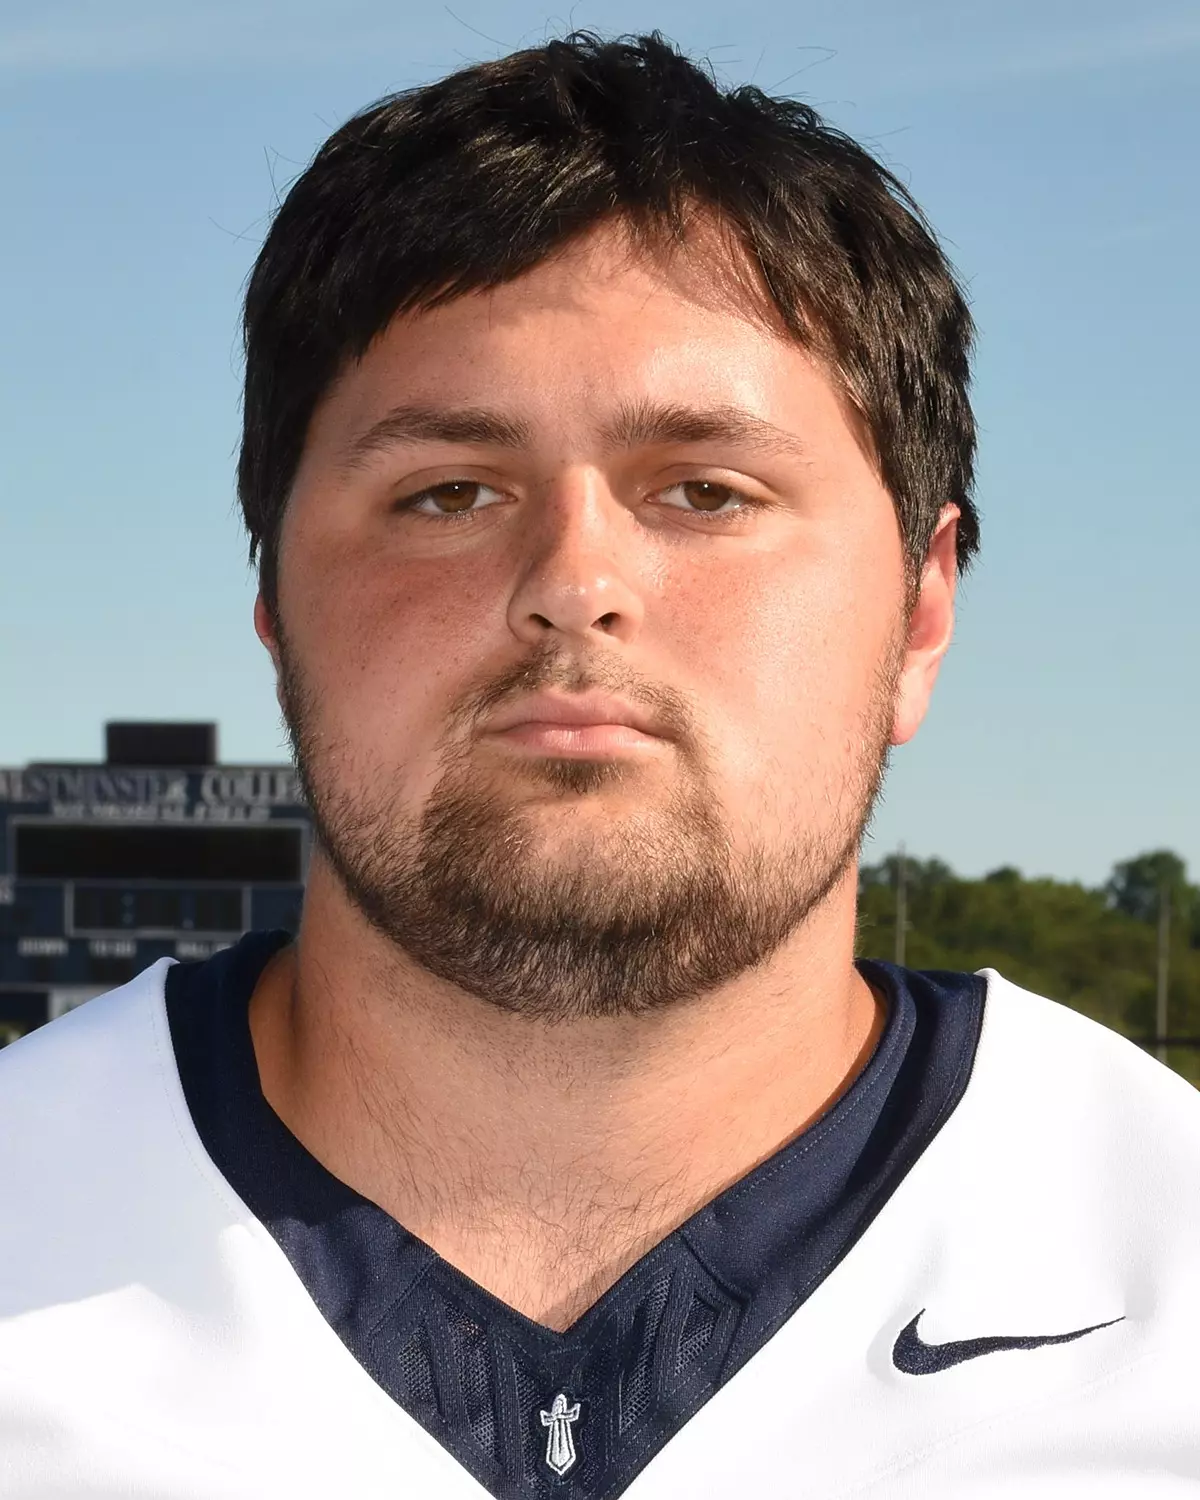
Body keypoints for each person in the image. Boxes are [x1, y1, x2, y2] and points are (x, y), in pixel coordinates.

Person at [1, 32, 1196, 1500]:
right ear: (274, 604)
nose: (575, 584)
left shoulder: (1173, 1276)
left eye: (706, 490)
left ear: (921, 611)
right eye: (449, 493)